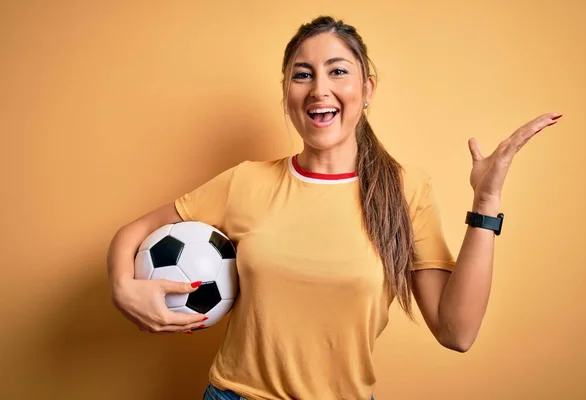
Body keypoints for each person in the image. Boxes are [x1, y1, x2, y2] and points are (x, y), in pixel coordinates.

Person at [107, 15, 561, 400]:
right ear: (286, 95)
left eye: (337, 71)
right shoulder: (245, 180)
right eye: (302, 74)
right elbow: (132, 234)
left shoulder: (406, 190)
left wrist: (486, 202)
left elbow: (457, 332)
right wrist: (123, 289)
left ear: (367, 88)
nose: (319, 89)